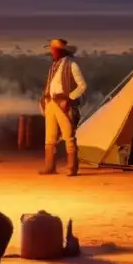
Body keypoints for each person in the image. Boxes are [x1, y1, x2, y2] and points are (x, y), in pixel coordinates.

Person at [39, 38, 87, 176]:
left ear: (61, 51)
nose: (51, 51)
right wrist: (45, 99)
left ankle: (72, 168)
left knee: (68, 136)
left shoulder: (72, 65)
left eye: (53, 49)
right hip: (51, 103)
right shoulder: (53, 65)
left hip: (63, 104)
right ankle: (49, 167)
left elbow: (82, 86)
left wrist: (69, 98)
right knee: (50, 137)